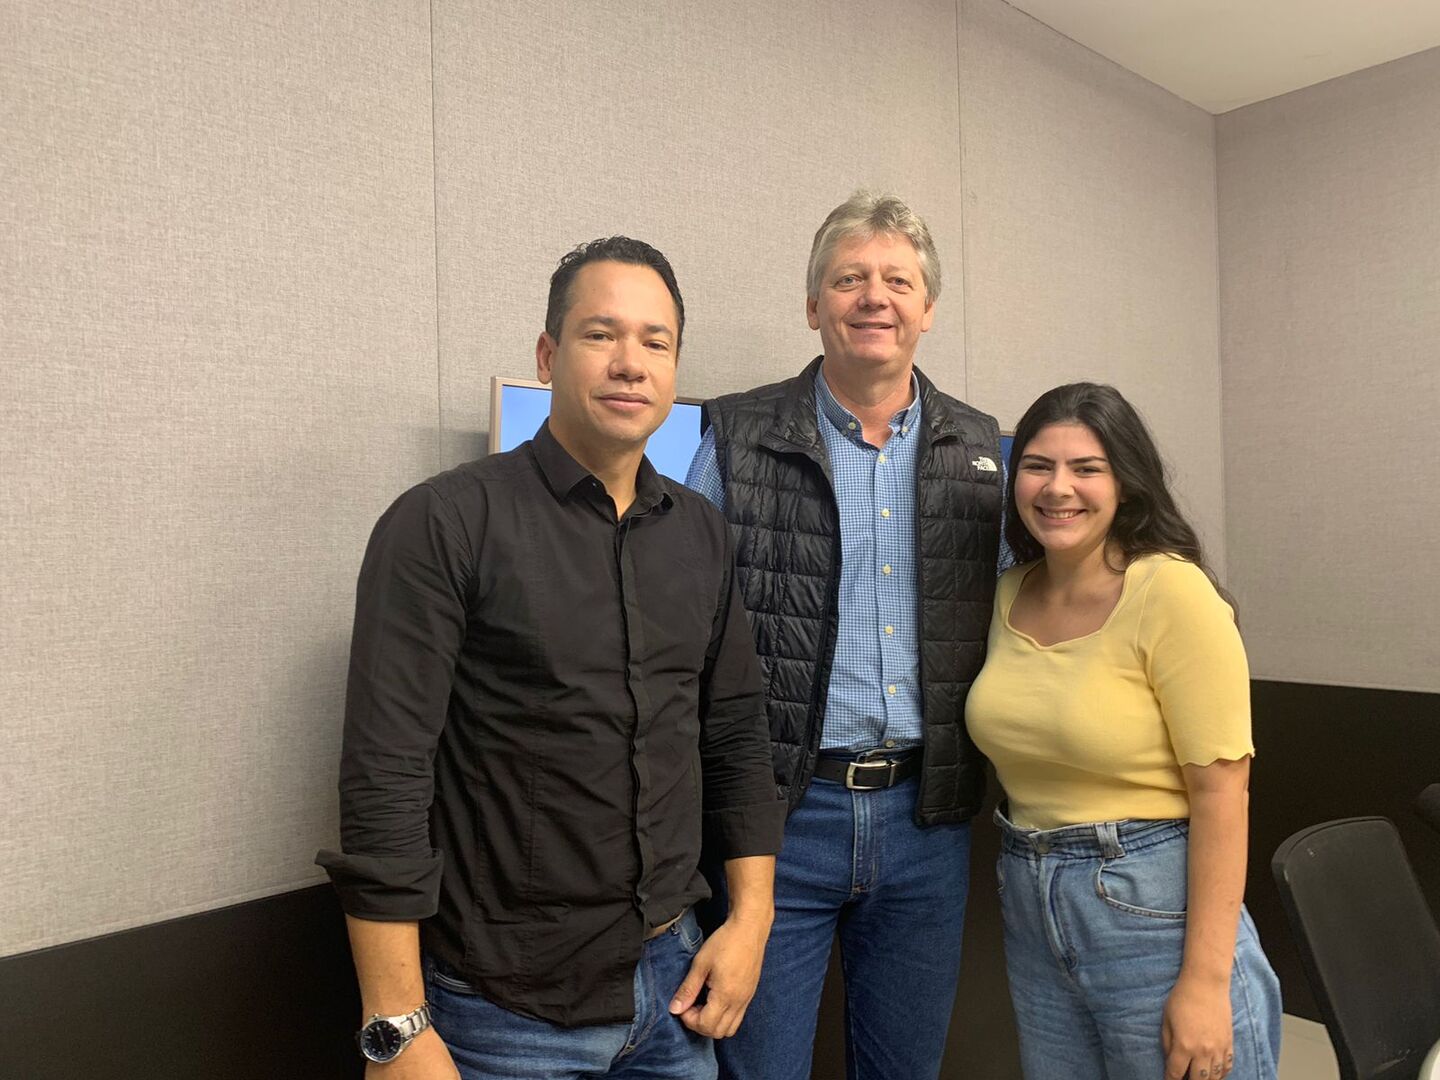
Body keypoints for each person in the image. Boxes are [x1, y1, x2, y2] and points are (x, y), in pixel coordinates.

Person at [317, 237, 786, 1080]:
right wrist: (394, 1024)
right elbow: (385, 778)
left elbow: (737, 738)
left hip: (677, 994)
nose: (630, 364)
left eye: (656, 341)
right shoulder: (445, 524)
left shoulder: (701, 534)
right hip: (504, 1011)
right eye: (600, 334)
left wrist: (750, 921)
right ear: (547, 354)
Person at [686, 192, 1003, 1080]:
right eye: (850, 278)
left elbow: (1031, 604)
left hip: (927, 820)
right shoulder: (736, 436)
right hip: (781, 821)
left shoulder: (977, 449)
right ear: (813, 304)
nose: (875, 297)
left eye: (897, 280)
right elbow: (684, 620)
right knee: (758, 1069)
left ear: (927, 309)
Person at [965, 383, 1282, 1080]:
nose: (1058, 488)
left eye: (1087, 468)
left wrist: (1204, 983)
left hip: (1150, 902)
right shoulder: (1008, 593)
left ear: (1127, 485)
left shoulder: (1171, 591)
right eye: (1039, 465)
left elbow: (1224, 795)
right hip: (1029, 894)